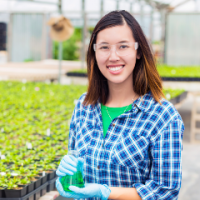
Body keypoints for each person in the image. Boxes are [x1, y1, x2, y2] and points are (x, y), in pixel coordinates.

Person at [56, 10, 184, 200]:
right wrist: (67, 179)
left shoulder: (163, 117)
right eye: (104, 47)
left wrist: (105, 192)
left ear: (138, 51)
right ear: (94, 52)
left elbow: (165, 190)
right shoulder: (84, 107)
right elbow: (76, 167)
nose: (113, 56)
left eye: (123, 46)